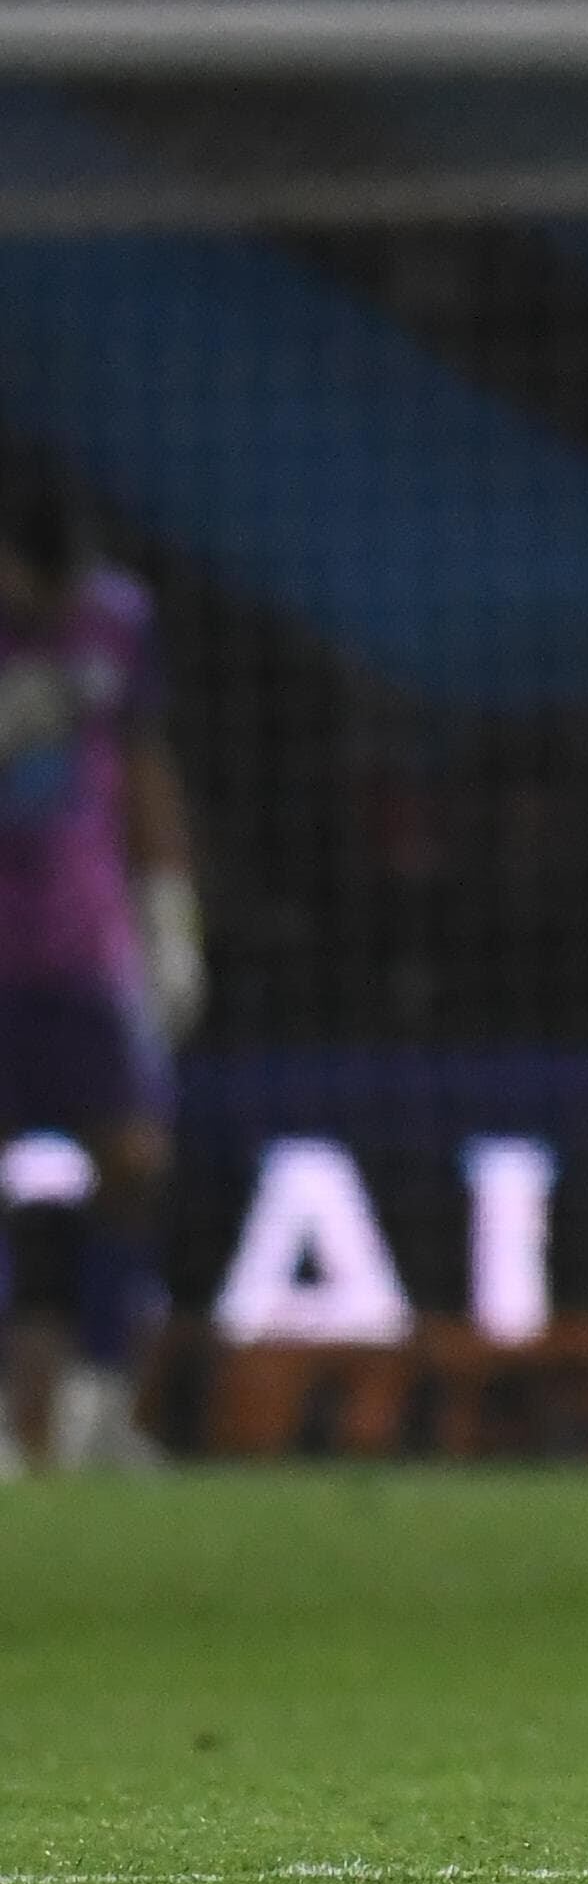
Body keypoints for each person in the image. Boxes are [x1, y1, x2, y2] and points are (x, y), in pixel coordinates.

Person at [0, 481, 203, 1478]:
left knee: (132, 1159)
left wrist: (168, 909)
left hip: (78, 945)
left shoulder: (112, 621)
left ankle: (98, 1403)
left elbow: (144, 757)